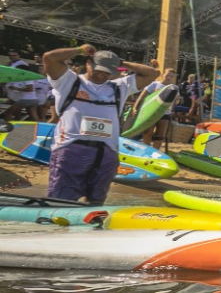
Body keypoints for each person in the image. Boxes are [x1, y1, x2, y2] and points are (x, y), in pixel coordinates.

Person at [43, 45, 157, 204]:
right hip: (71, 150)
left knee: (97, 201)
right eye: (98, 69)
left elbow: (153, 74)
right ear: (88, 63)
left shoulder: (119, 87)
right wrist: (80, 50)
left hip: (106, 153)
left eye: (107, 71)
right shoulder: (68, 80)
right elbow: (49, 57)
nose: (101, 74)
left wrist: (120, 62)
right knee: (61, 200)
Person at [133, 68, 177, 152]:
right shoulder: (154, 84)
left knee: (160, 134)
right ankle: (146, 150)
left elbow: (175, 101)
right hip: (151, 112)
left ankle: (155, 152)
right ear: (163, 74)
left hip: (165, 113)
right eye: (167, 75)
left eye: (171, 76)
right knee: (147, 132)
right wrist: (135, 107)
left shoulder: (173, 88)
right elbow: (142, 96)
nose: (169, 77)